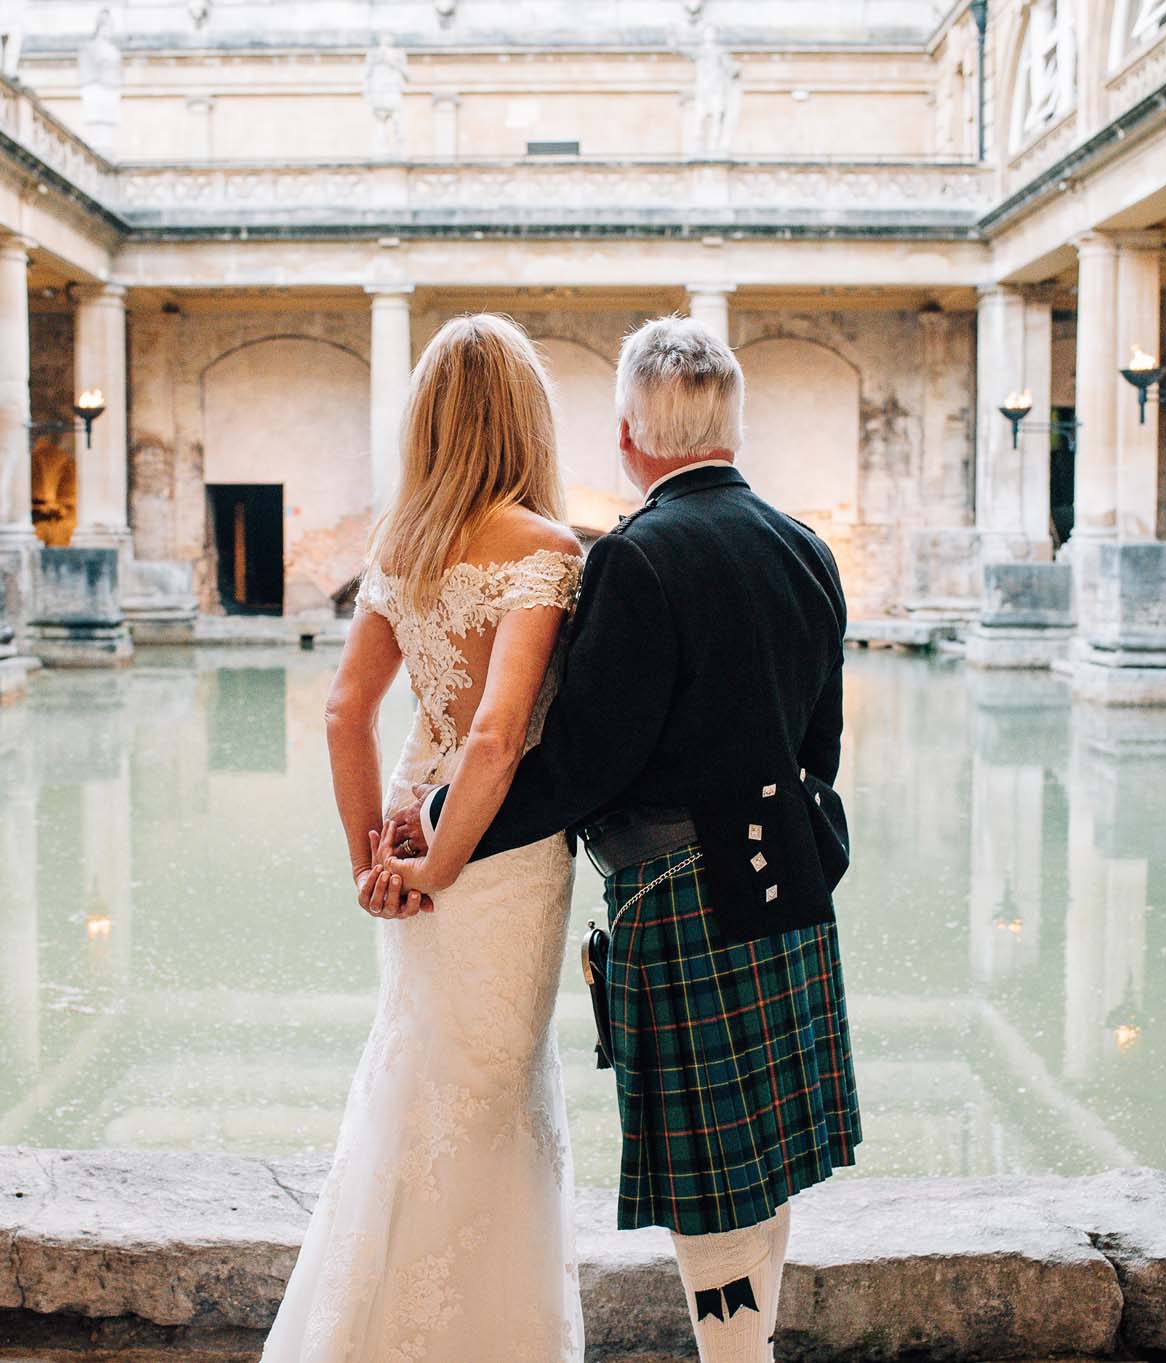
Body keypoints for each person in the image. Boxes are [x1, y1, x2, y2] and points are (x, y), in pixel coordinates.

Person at [376, 314, 861, 1363]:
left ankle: (736, 1360)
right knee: (765, 1159)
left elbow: (582, 762)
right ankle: (749, 1350)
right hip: (790, 877)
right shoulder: (805, 547)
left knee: (711, 1179)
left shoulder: (636, 558)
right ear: (730, 424)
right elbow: (820, 743)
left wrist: (446, 825)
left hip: (681, 895)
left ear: (632, 435)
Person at [260, 313, 587, 1362]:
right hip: (493, 851)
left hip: (411, 821)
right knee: (491, 1089)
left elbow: (343, 713)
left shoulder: (400, 548)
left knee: (419, 1074)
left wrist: (375, 863)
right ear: (526, 419)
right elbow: (498, 735)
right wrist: (437, 865)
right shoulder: (547, 550)